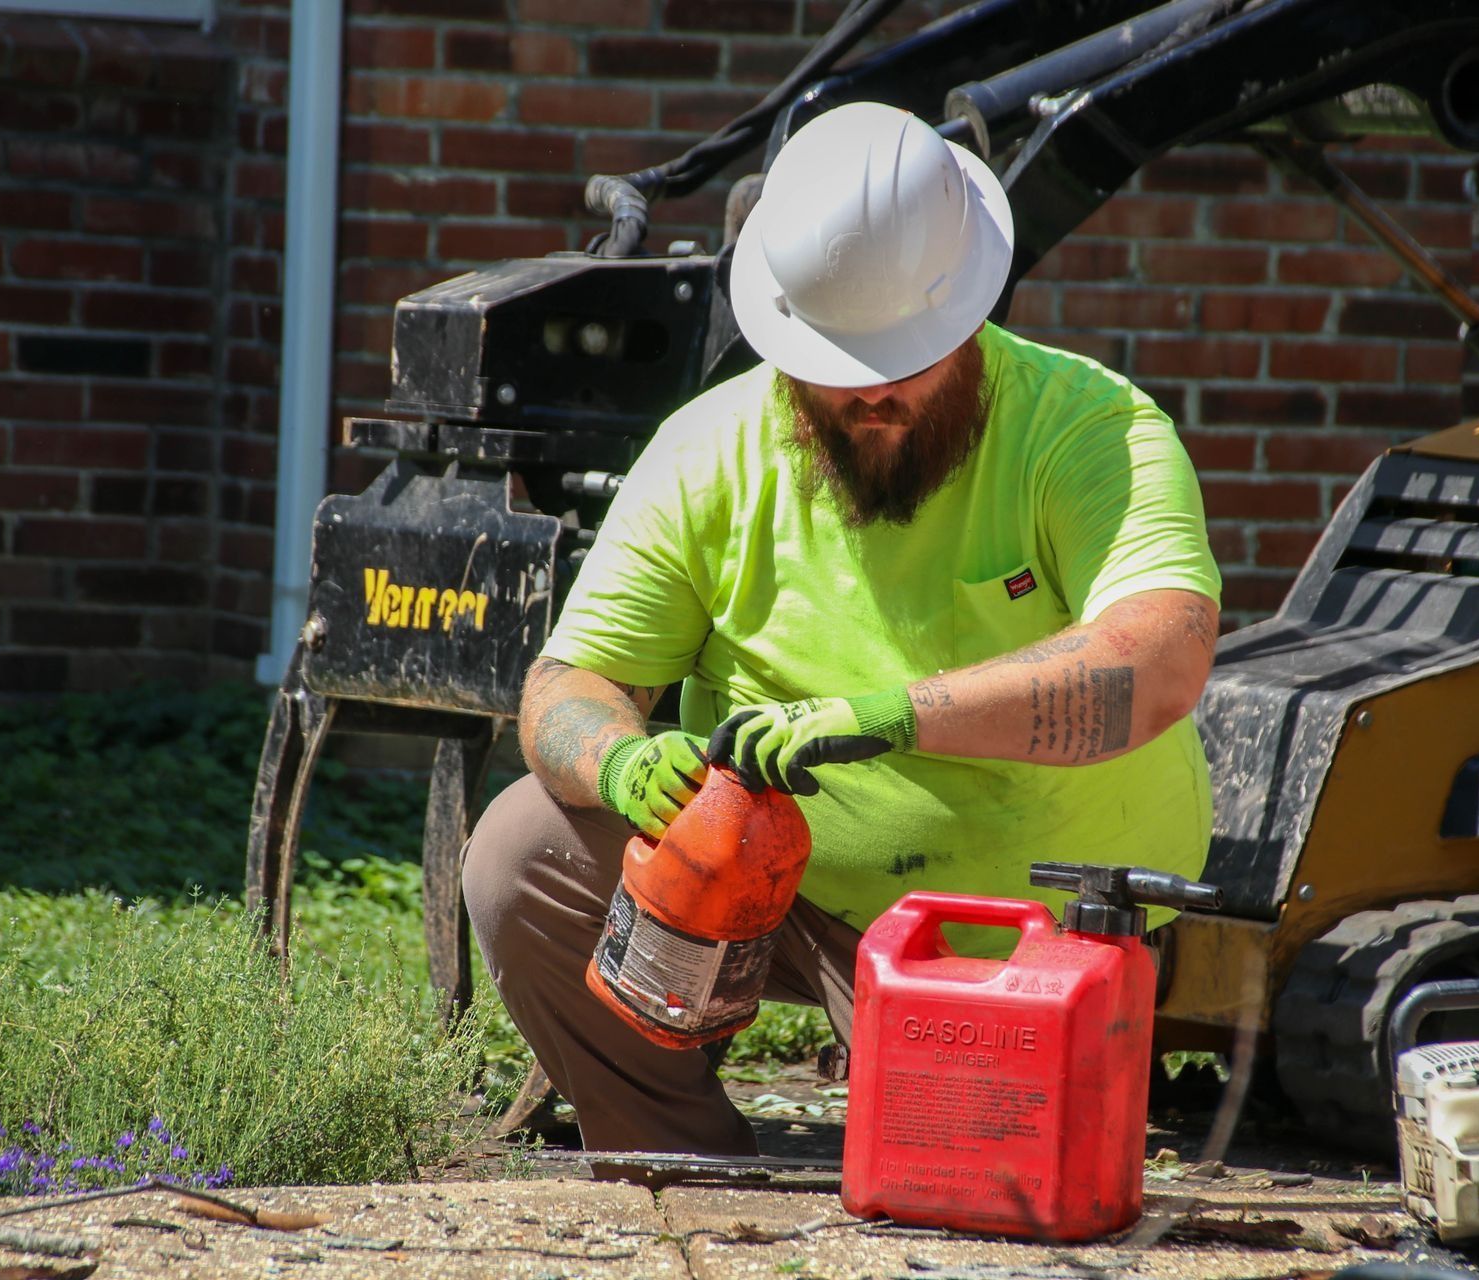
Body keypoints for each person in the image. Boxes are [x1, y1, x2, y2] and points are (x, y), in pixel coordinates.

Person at [461, 101, 1221, 1158]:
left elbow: (1162, 657)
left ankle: (923, 1102)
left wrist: (895, 718)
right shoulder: (707, 452)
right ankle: (675, 1153)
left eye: (903, 357)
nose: (874, 393)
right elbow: (565, 682)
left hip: (1028, 926)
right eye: (838, 361)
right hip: (782, 898)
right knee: (521, 849)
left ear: (967, 307)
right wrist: (621, 759)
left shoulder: (1089, 428)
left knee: (970, 1175)